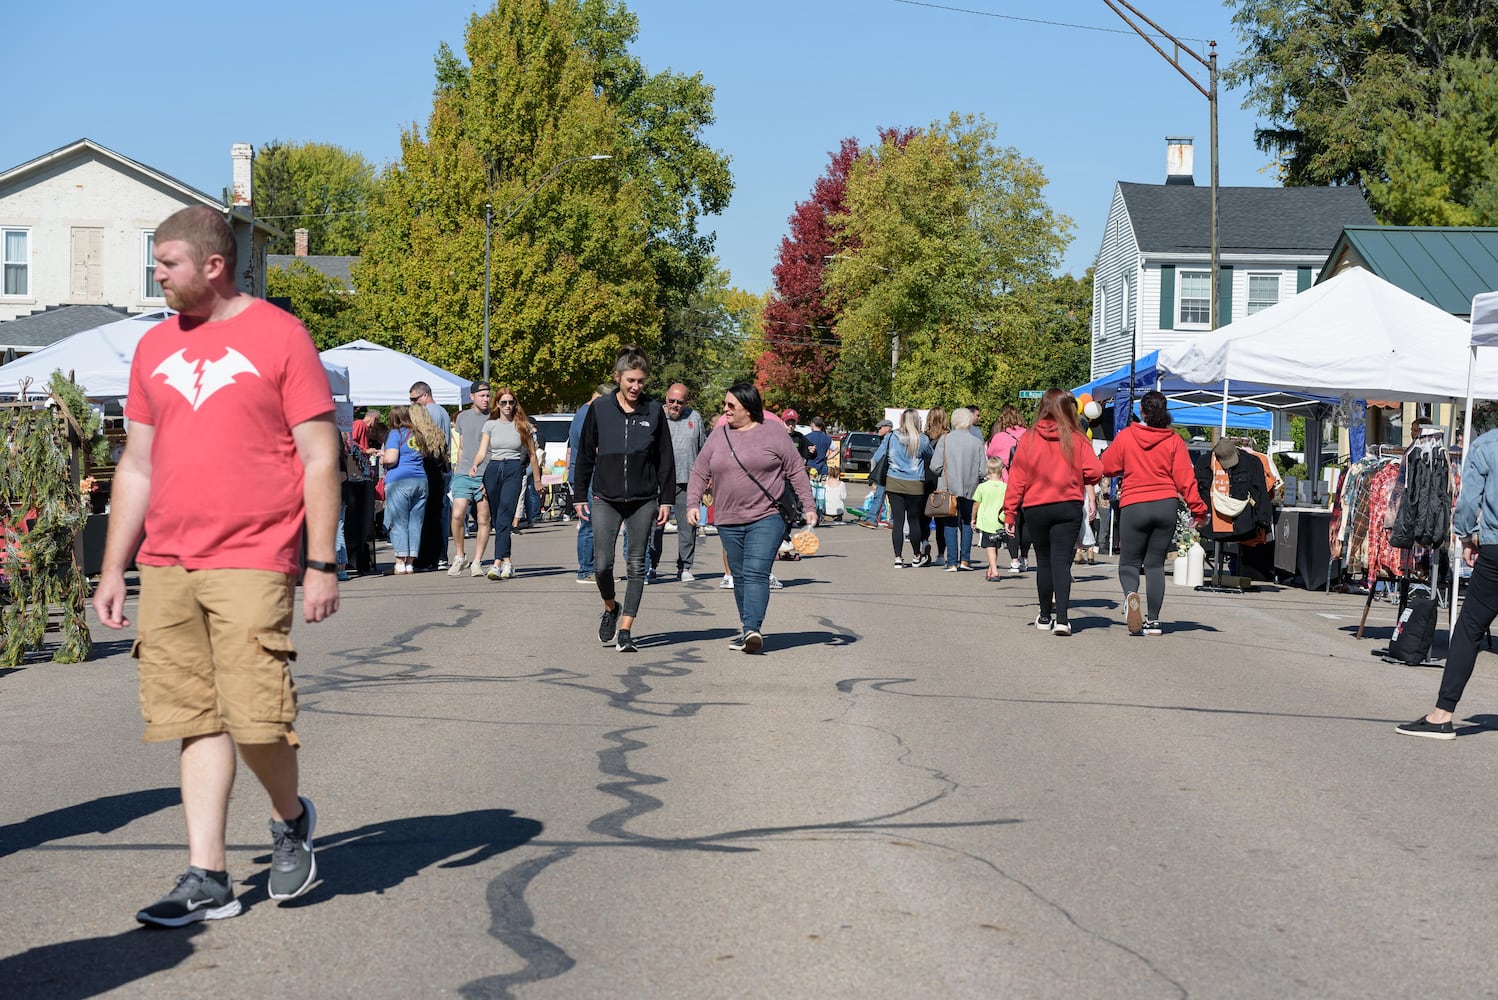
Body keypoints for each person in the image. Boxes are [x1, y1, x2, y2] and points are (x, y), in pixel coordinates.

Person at [92, 205, 337, 926]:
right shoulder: (151, 349)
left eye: (166, 262)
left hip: (255, 555)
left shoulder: (280, 336)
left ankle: (290, 817)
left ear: (213, 265)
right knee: (194, 719)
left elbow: (321, 455)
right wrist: (115, 567)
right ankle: (208, 876)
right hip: (167, 561)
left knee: (257, 718)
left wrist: (321, 562)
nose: (156, 274)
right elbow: (135, 465)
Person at [688, 382, 816, 653]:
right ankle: (748, 627)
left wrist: (809, 506)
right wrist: (692, 503)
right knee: (740, 575)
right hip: (727, 517)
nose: (725, 409)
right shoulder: (718, 435)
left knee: (756, 571)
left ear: (748, 408)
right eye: (725, 404)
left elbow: (795, 470)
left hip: (767, 516)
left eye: (731, 405)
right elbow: (700, 470)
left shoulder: (773, 432)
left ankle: (752, 629)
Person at [1399, 423, 1498, 739]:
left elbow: (1469, 501)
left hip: (1496, 549)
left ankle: (1442, 714)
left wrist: (1467, 538)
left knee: (1470, 628)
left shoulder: (1486, 445)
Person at [573, 346, 675, 653]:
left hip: (643, 499)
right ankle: (610, 607)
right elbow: (584, 453)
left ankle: (627, 629)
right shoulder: (600, 408)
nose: (636, 387)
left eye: (641, 381)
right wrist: (579, 494)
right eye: (630, 380)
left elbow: (665, 459)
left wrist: (666, 500)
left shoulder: (654, 410)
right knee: (602, 565)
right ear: (618, 378)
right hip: (606, 496)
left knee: (636, 565)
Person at [1100, 391, 1207, 636]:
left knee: (1128, 562)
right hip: (1165, 505)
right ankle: (1155, 620)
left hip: (1134, 504)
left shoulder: (1127, 436)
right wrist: (1199, 511)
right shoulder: (1175, 441)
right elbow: (1186, 480)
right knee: (1155, 565)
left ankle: (1131, 596)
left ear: (1143, 412)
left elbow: (1106, 466)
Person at [1003, 389, 1103, 636]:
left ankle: (1045, 615)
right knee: (1061, 562)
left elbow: (1017, 479)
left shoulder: (1029, 438)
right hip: (1067, 505)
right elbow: (1095, 471)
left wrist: (1010, 513)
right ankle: (1062, 619)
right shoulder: (1077, 438)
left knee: (1044, 561)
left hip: (1036, 506)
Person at [471, 388, 541, 580]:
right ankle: (508, 562)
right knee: (498, 519)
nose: (508, 406)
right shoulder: (490, 425)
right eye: (504, 403)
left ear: (515, 404)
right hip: (493, 469)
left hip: (513, 468)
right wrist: (475, 465)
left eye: (511, 402)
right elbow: (482, 451)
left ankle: (496, 564)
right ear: (497, 405)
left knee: (504, 517)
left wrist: (537, 480)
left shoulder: (523, 426)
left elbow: (533, 455)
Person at [653, 383, 708, 581]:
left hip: (688, 482)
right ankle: (652, 565)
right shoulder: (656, 415)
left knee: (688, 527)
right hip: (659, 482)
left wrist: (708, 477)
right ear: (666, 398)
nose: (675, 405)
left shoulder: (694, 417)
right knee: (655, 527)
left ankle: (685, 567)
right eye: (671, 401)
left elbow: (704, 449)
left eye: (680, 402)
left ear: (686, 402)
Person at [870, 409, 933, 568]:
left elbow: (877, 457)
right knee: (914, 521)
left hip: (894, 481)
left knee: (898, 521)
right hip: (915, 483)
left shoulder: (891, 437)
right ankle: (916, 555)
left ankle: (898, 557)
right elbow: (930, 456)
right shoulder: (922, 439)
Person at [381, 405, 440, 574]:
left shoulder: (395, 434)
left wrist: (382, 457)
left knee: (399, 522)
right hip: (420, 480)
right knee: (415, 523)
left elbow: (391, 459)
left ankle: (400, 562)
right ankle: (410, 563)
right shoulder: (418, 434)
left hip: (399, 480)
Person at [929, 407, 987, 570]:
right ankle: (965, 560)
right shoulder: (977, 442)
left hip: (948, 487)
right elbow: (983, 470)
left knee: (950, 523)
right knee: (967, 522)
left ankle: (952, 561)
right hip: (971, 488)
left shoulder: (945, 440)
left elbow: (935, 466)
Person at [568, 383, 614, 583]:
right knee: (589, 523)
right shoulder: (587, 414)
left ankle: (594, 569)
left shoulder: (586, 412)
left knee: (595, 523)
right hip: (587, 476)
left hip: (588, 474)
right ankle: (585, 570)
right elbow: (594, 447)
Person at [448, 381, 492, 577]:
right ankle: (460, 556)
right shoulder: (463, 418)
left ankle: (477, 561)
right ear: (472, 397)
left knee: (483, 518)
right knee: (457, 514)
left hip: (486, 473)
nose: (486, 399)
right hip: (464, 472)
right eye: (482, 395)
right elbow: (463, 445)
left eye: (488, 395)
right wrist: (458, 466)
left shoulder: (494, 417)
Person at [409, 381, 452, 568]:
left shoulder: (430, 413)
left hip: (432, 466)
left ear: (425, 395)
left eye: (414, 399)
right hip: (441, 467)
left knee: (431, 514)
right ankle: (441, 555)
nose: (412, 403)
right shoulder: (442, 411)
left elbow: (429, 442)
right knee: (439, 513)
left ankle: (435, 555)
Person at [988, 406, 1030, 573]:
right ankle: (1025, 557)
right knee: (1026, 524)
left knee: (1011, 521)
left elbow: (990, 454)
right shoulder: (1029, 435)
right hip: (1028, 484)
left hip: (1008, 484)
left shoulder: (999, 437)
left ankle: (1014, 560)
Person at [923, 406, 951, 566]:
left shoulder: (924, 437)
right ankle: (941, 554)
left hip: (925, 478)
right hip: (942, 479)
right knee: (941, 520)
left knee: (924, 516)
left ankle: (924, 542)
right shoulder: (948, 437)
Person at [972, 457, 1008, 580]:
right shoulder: (1005, 487)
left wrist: (973, 518)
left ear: (987, 470)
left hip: (986, 521)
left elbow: (976, 503)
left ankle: (995, 571)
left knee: (990, 547)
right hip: (999, 520)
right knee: (995, 546)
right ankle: (991, 569)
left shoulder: (982, 487)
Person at [858, 418, 895, 528]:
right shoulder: (895, 438)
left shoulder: (887, 439)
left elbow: (876, 458)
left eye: (880, 427)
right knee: (893, 498)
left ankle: (872, 519)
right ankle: (894, 521)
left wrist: (873, 473)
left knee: (878, 496)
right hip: (894, 472)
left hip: (884, 473)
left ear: (887, 428)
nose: (878, 429)